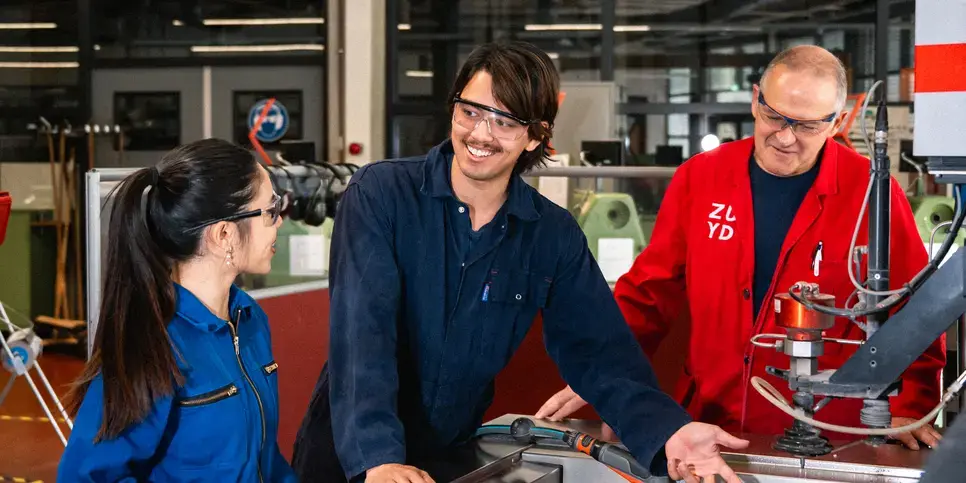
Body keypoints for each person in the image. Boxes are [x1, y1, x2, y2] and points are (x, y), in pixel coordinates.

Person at [291, 40, 749, 483]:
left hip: (448, 457)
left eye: (505, 122)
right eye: (470, 111)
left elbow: (600, 352)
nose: (480, 134)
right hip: (351, 459)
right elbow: (362, 336)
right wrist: (380, 459)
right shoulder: (381, 195)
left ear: (536, 136)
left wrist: (668, 429)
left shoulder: (550, 235)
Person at [536, 44, 947, 451]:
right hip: (712, 424)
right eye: (774, 116)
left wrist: (914, 405)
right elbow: (647, 294)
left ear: (838, 120)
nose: (785, 137)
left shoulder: (872, 193)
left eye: (806, 126)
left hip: (830, 433)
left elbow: (917, 310)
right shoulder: (700, 178)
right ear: (755, 99)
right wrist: (602, 374)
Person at [58, 139, 297, 482]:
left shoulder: (250, 319)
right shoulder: (152, 344)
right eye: (270, 211)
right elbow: (85, 477)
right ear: (224, 234)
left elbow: (267, 462)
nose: (279, 223)